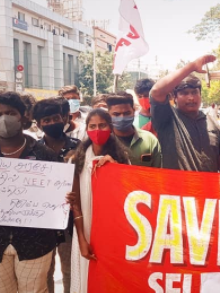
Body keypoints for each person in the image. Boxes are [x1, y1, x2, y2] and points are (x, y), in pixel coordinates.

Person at [0, 91, 64, 293]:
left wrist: (65, 197)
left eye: (10, 113)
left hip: (36, 242)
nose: (4, 119)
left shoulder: (45, 155)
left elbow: (58, 195)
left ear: (23, 116)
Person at [69, 109, 130, 293]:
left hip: (113, 232)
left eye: (102, 125)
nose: (97, 130)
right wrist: (81, 238)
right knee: (85, 279)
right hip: (85, 228)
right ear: (86, 129)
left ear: (110, 128)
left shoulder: (122, 159)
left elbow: (128, 197)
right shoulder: (77, 160)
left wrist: (116, 170)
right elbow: (76, 205)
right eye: (92, 126)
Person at [150, 55, 220, 172]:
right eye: (185, 93)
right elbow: (156, 91)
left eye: (194, 92)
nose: (191, 98)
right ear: (175, 97)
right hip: (176, 189)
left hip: (209, 189)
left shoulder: (212, 121)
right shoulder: (167, 118)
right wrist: (192, 66)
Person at [32, 98, 79, 293]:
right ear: (39, 124)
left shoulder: (80, 147)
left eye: (56, 118)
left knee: (69, 269)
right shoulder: (32, 151)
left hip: (71, 220)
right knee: (45, 270)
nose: (52, 123)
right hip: (41, 221)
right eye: (46, 120)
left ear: (64, 118)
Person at [106, 93, 162, 168]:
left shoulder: (150, 140)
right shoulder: (103, 141)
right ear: (108, 115)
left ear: (134, 111)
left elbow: (159, 172)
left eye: (127, 113)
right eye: (116, 114)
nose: (122, 117)